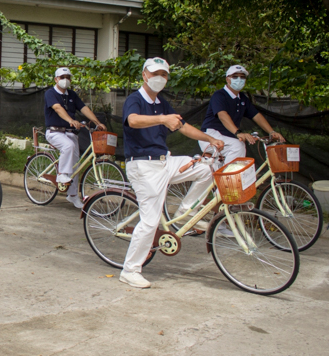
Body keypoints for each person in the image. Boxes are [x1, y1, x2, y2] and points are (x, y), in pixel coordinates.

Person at [119, 57, 225, 289]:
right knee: (150, 221)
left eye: (164, 74)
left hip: (164, 161)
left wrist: (210, 139)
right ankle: (130, 270)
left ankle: (186, 212)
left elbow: (183, 126)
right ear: (144, 74)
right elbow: (133, 121)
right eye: (155, 73)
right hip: (143, 166)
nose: (160, 78)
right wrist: (162, 119)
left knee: (206, 169)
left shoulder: (162, 103)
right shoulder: (135, 99)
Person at [44, 67, 107, 208]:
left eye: (68, 77)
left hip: (70, 133)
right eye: (62, 77)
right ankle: (62, 174)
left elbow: (84, 108)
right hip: (55, 132)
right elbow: (58, 108)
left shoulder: (72, 94)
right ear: (56, 79)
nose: (65, 80)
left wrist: (98, 122)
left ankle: (72, 195)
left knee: (76, 165)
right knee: (68, 146)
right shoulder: (50, 93)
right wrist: (70, 120)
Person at [199, 65, 285, 167]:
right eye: (235, 76)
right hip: (210, 136)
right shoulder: (219, 95)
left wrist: (272, 132)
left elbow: (256, 115)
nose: (239, 79)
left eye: (242, 77)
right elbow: (222, 115)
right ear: (227, 79)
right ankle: (228, 180)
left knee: (216, 170)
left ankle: (225, 177)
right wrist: (238, 133)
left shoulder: (242, 98)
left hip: (226, 139)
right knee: (238, 146)